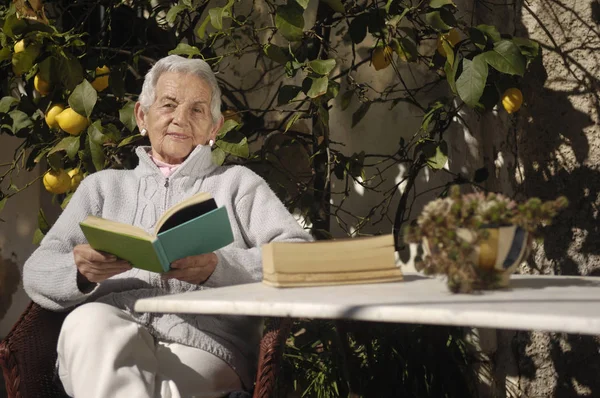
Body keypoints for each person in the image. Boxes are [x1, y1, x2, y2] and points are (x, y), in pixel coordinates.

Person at [23, 54, 313, 398]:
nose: (180, 119)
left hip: (205, 348)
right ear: (142, 116)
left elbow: (301, 260)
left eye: (197, 110)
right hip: (106, 336)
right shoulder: (102, 188)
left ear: (214, 128)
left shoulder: (238, 185)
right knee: (88, 324)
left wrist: (221, 267)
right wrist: (80, 271)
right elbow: (36, 273)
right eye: (168, 105)